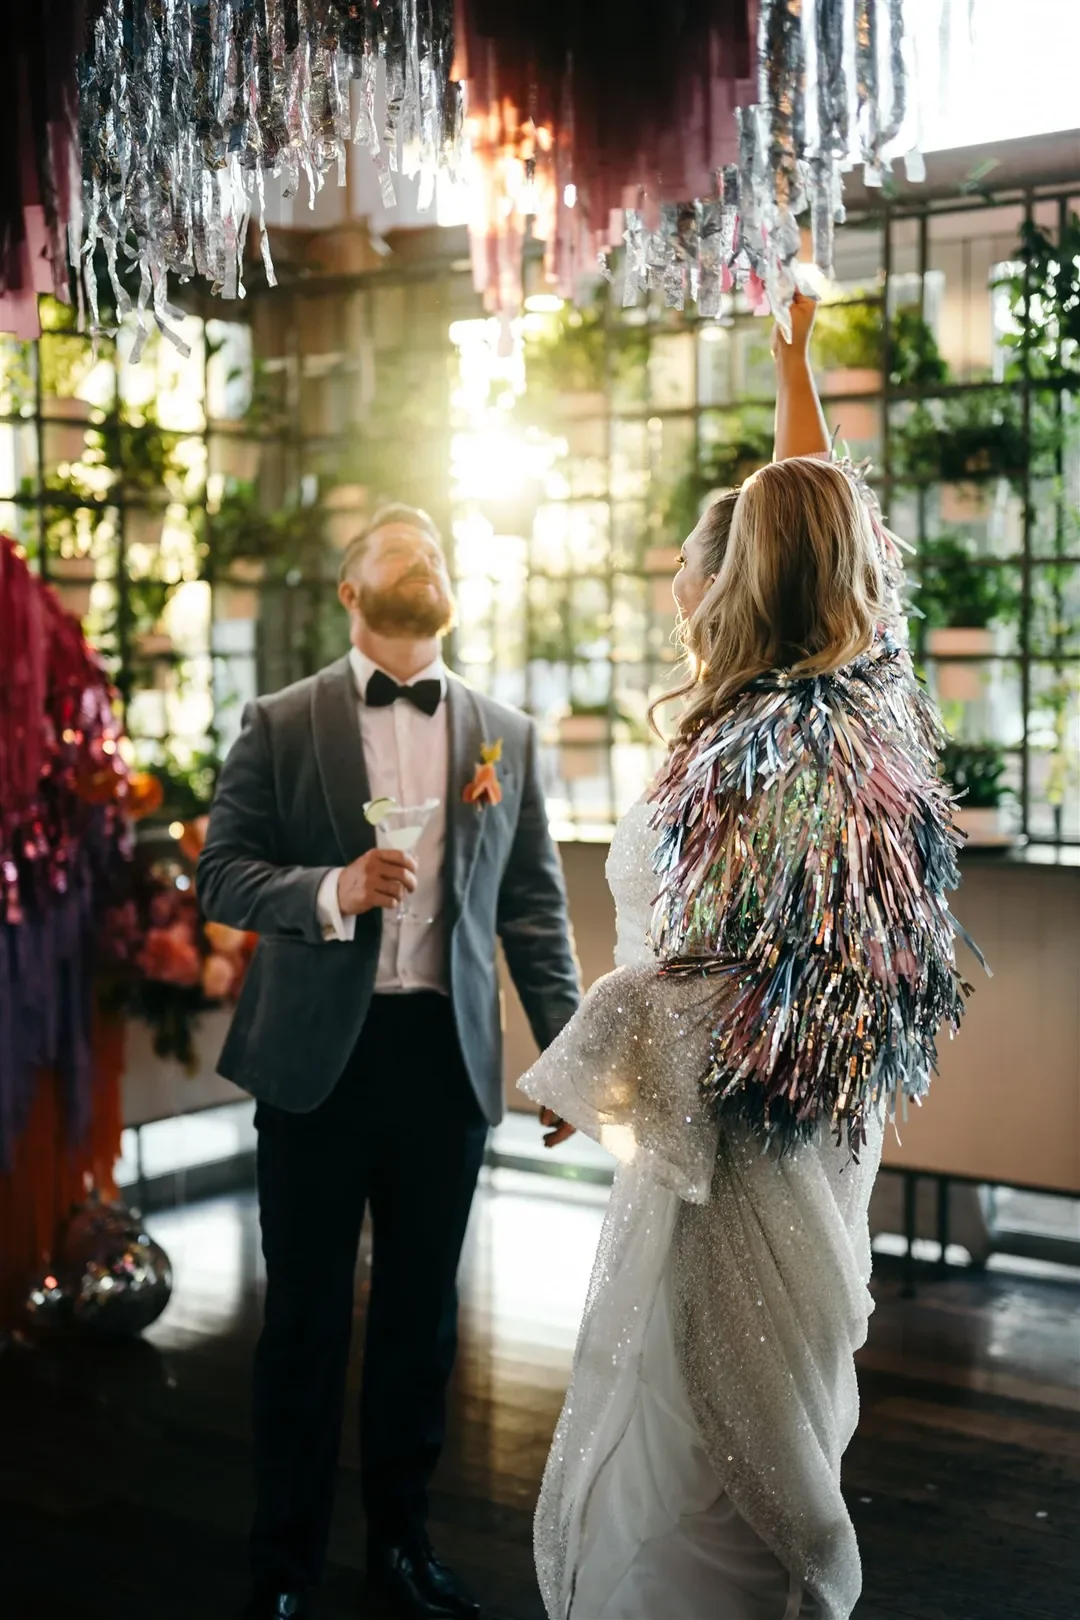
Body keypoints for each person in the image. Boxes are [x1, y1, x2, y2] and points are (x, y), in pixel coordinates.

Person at [521, 292, 973, 1620]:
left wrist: (585, 1061)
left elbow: (730, 991)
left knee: (720, 1435)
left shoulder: (769, 752)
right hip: (791, 1128)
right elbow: (826, 515)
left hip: (745, 1144)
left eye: (699, 556)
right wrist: (789, 359)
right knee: (740, 1416)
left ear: (744, 580)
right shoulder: (862, 701)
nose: (678, 570)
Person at [197, 503, 581, 1620]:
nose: (426, 554)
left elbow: (533, 909)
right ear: (349, 592)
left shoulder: (504, 730)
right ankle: (283, 1569)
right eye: (397, 546)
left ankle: (403, 1551)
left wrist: (561, 1053)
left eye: (438, 548)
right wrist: (330, 890)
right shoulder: (279, 720)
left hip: (441, 1065)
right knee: (305, 1325)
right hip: (315, 1066)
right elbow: (221, 875)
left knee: (421, 1326)